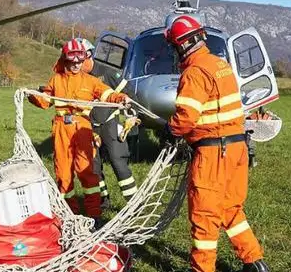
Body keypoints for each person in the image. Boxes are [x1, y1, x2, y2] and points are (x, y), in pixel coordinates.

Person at [161, 14, 269, 272]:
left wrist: (170, 129)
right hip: (236, 148)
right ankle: (254, 262)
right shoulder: (219, 64)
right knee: (231, 209)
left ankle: (202, 269)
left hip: (213, 153)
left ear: (182, 45)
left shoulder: (194, 72)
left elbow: (186, 117)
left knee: (204, 215)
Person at [28, 38, 129, 228]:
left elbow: (107, 93)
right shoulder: (56, 80)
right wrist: (32, 96)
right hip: (61, 129)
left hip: (82, 129)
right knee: (63, 174)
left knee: (87, 173)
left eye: (79, 61)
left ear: (84, 59)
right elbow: (45, 101)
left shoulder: (90, 81)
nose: (76, 64)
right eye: (72, 61)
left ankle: (94, 215)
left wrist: (121, 98)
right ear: (66, 59)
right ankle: (69, 214)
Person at [77, 38, 138, 209]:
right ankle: (104, 201)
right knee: (94, 167)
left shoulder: (108, 73)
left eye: (78, 59)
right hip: (89, 127)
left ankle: (133, 203)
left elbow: (129, 94)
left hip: (109, 124)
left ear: (88, 55)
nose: (75, 64)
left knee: (118, 162)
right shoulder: (77, 79)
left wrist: (130, 117)